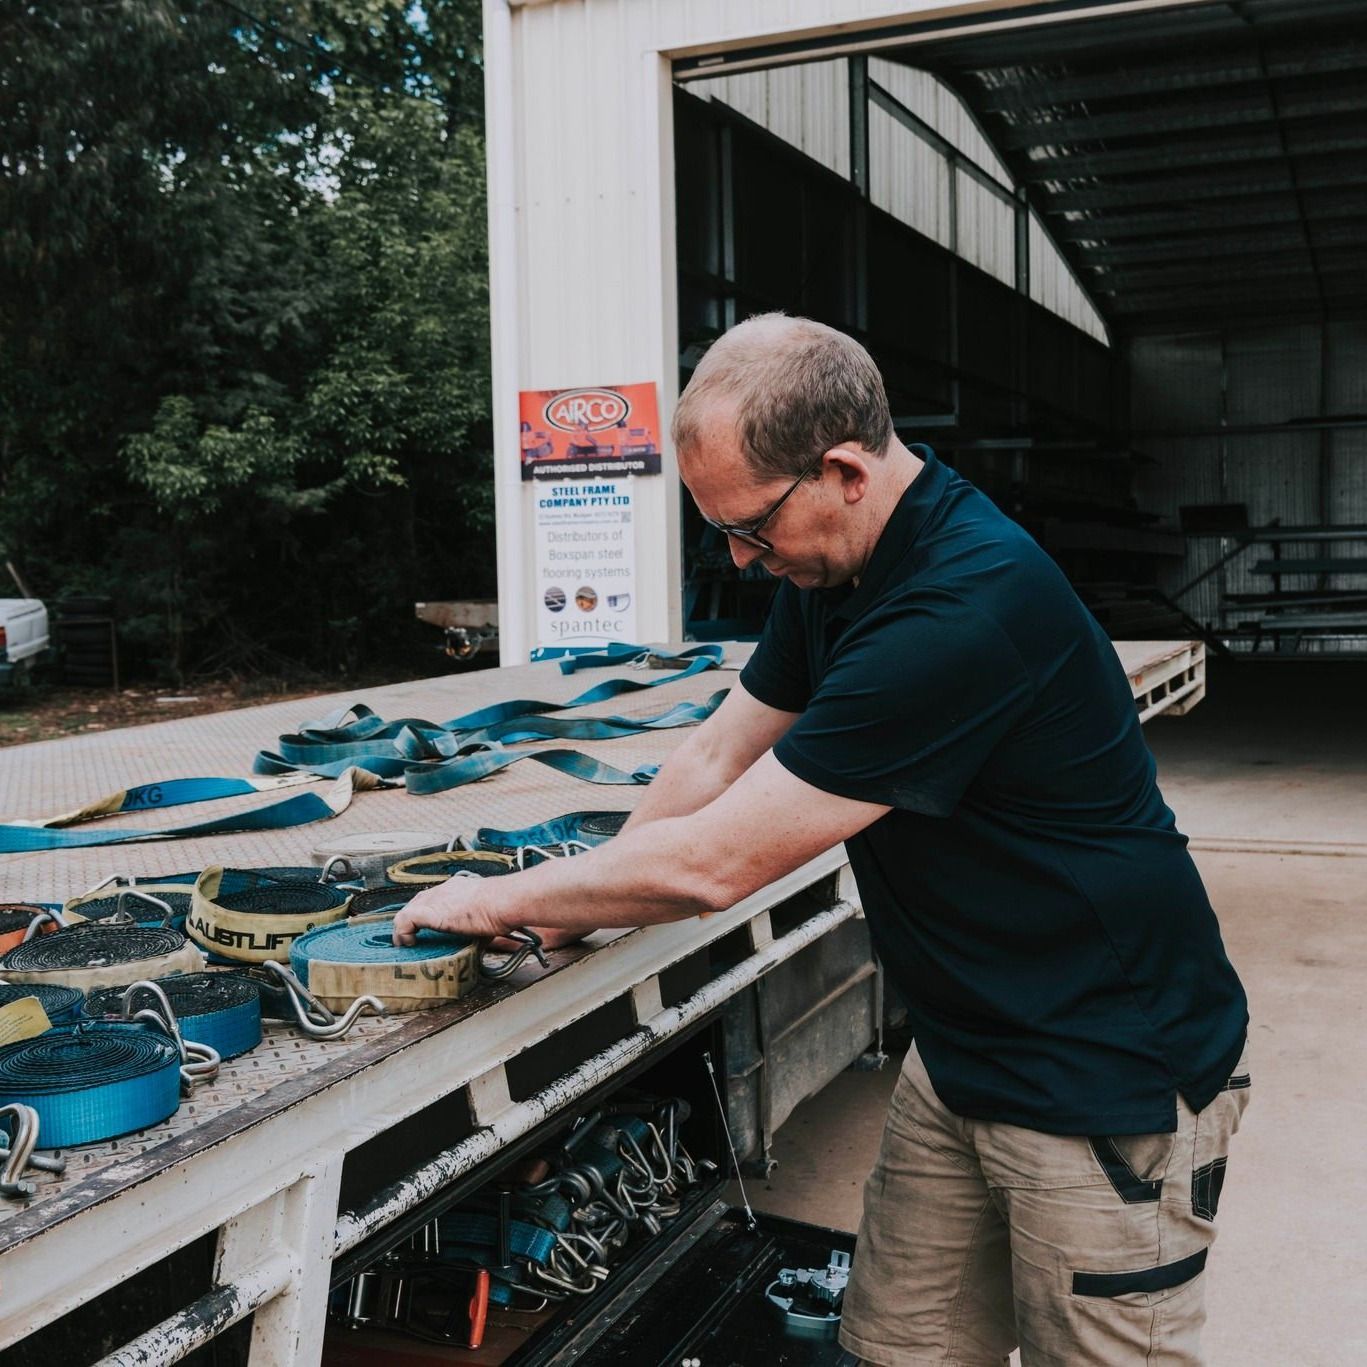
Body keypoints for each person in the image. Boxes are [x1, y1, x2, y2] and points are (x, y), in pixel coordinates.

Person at [394, 313, 1250, 1366]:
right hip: (968, 1046)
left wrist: (497, 898)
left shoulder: (958, 608)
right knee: (897, 1348)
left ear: (842, 468)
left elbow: (717, 865)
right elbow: (714, 759)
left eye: (750, 529)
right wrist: (577, 903)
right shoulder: (836, 569)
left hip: (1100, 1075)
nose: (742, 561)